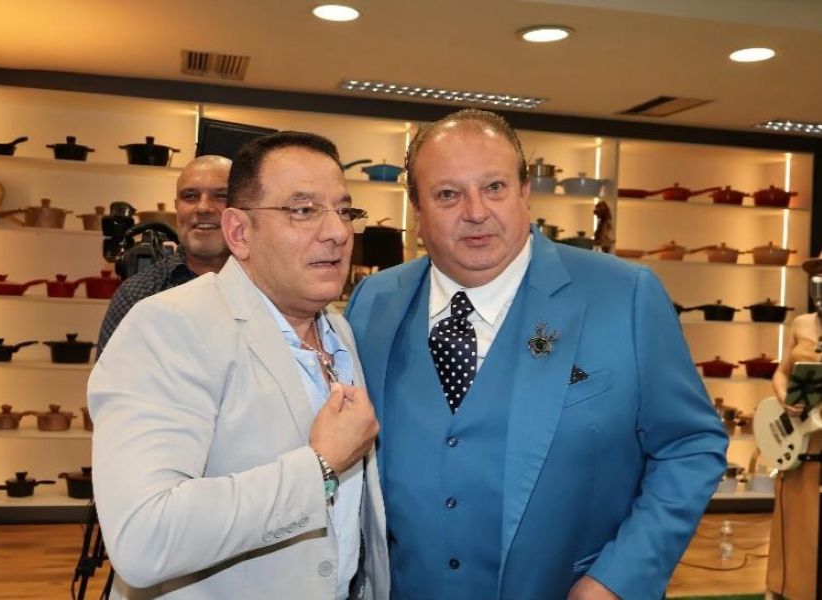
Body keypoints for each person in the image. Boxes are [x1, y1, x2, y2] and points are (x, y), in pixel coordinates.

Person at [345, 109, 728, 600]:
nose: (476, 211)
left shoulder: (624, 295)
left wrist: (618, 579)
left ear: (525, 192)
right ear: (416, 208)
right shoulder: (373, 303)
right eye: (447, 194)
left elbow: (690, 446)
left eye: (495, 187)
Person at [88, 131, 388, 599]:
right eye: (302, 210)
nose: (338, 232)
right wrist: (320, 467)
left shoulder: (339, 331)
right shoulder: (168, 325)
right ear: (240, 232)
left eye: (344, 211)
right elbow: (144, 537)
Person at [97, 154, 232, 355]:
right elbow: (112, 375)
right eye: (190, 196)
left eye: (221, 196)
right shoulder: (138, 295)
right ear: (177, 206)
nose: (203, 207)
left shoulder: (268, 288)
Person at [766, 261, 822, 600]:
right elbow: (781, 372)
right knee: (797, 516)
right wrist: (784, 398)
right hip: (801, 437)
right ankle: (787, 588)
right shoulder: (802, 324)